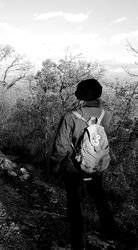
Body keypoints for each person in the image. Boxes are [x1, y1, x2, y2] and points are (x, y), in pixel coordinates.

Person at [51, 79, 116, 250]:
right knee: (99, 196)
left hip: (73, 167)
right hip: (97, 165)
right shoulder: (106, 114)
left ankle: (78, 242)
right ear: (98, 94)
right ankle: (110, 231)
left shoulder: (70, 116)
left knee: (75, 203)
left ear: (80, 95)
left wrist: (55, 165)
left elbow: (61, 146)